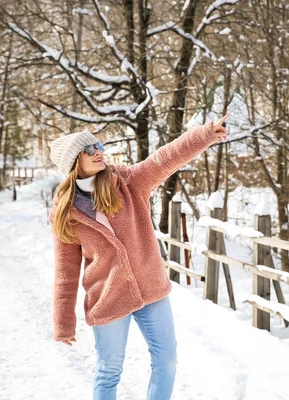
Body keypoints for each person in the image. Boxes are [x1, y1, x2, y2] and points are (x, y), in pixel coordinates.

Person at [47, 114, 229, 400]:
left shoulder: (128, 183)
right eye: (90, 150)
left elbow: (165, 158)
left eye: (99, 146)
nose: (99, 153)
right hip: (107, 298)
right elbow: (65, 272)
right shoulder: (65, 212)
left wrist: (204, 135)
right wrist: (63, 322)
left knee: (166, 360)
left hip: (151, 289)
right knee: (109, 371)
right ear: (73, 162)